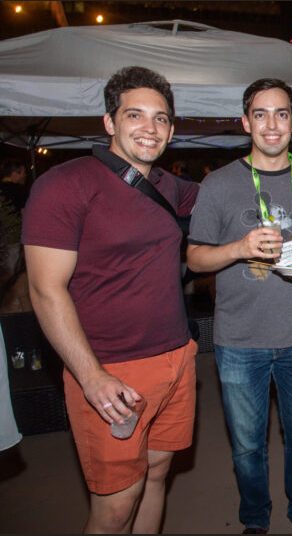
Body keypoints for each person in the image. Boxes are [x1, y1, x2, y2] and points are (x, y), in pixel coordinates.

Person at [22, 66, 198, 533]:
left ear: (172, 130)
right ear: (109, 122)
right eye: (135, 114)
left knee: (157, 475)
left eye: (161, 119)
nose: (150, 127)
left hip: (177, 358)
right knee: (116, 506)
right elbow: (45, 289)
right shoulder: (65, 185)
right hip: (112, 370)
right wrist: (90, 375)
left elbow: (227, 198)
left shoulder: (170, 187)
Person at [186, 78, 292, 535]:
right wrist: (239, 247)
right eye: (261, 114)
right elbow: (193, 258)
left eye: (281, 113)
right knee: (248, 446)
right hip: (238, 341)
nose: (272, 124)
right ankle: (255, 518)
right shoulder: (219, 183)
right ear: (246, 122)